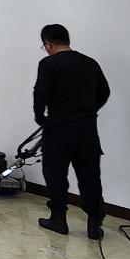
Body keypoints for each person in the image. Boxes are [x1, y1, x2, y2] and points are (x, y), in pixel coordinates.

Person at [33, 24, 111, 239]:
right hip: (87, 128)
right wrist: (88, 111)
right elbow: (104, 92)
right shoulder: (90, 63)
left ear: (48, 44)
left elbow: (40, 92)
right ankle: (94, 224)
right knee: (90, 174)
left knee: (55, 173)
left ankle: (58, 219)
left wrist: (40, 118)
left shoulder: (49, 64)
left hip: (58, 127)